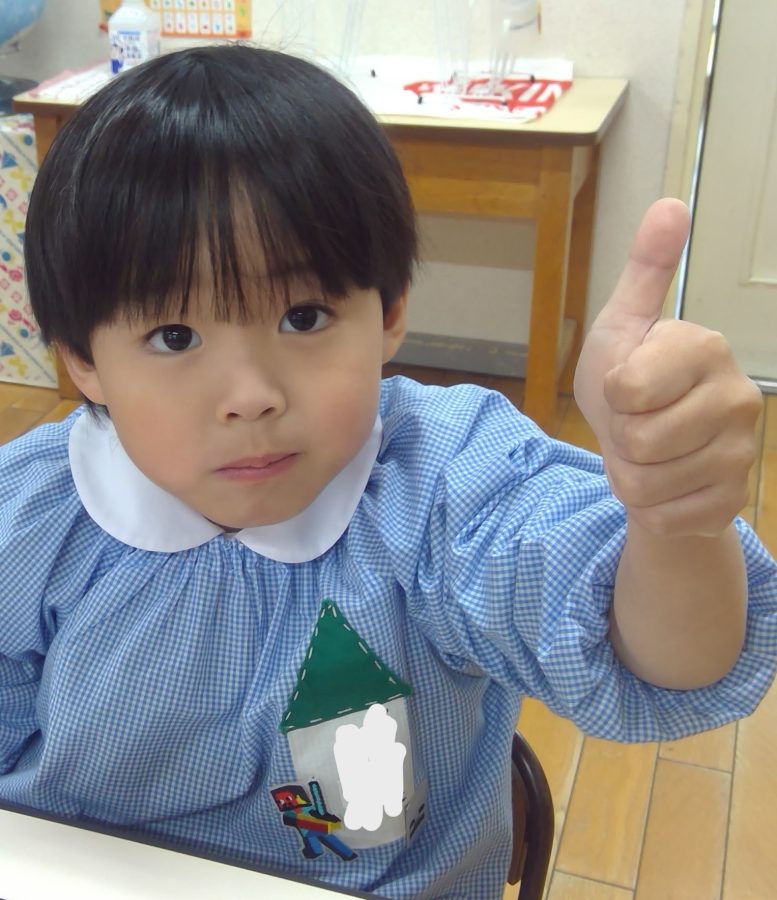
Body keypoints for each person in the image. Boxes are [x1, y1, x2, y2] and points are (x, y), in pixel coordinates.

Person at [1, 44, 775, 900]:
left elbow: (670, 660)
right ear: (84, 361)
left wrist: (674, 521)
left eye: (303, 317)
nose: (251, 396)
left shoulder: (445, 487)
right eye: (174, 337)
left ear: (391, 313)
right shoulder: (32, 516)